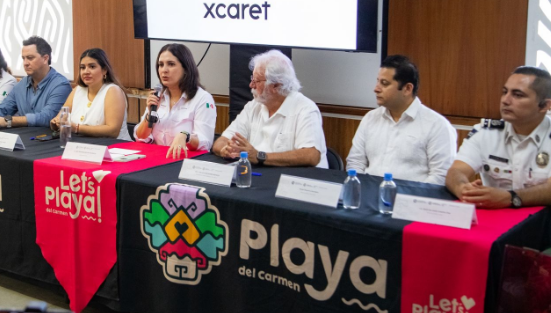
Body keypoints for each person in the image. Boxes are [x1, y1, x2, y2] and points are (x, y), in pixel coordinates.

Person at [446, 66, 551, 208]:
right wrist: (463, 189)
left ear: (544, 105)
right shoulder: (485, 132)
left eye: (518, 95)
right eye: (504, 92)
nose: (505, 100)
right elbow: (456, 171)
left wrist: (511, 198)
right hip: (496, 218)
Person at [346, 55, 456, 184]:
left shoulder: (437, 125)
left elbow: (441, 176)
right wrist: (361, 189)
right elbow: (355, 162)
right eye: (378, 81)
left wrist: (409, 196)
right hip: (368, 192)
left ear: (407, 89)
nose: (376, 89)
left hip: (413, 195)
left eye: (384, 83)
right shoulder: (370, 118)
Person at [212, 49, 327, 168]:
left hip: (296, 177)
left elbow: (311, 155)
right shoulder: (253, 106)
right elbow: (221, 141)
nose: (251, 85)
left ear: (276, 85)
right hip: (260, 174)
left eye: (256, 81)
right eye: (252, 79)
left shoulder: (305, 109)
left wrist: (259, 156)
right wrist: (225, 149)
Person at [133, 43, 216, 158]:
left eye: (171, 64)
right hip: (157, 159)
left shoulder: (202, 98)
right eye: (160, 65)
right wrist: (150, 115)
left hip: (185, 161)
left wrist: (185, 136)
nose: (164, 70)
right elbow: (140, 138)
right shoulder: (158, 96)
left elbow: (206, 142)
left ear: (186, 68)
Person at [0, 36, 71, 129]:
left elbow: (47, 117)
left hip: (49, 140)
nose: (25, 63)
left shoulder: (61, 85)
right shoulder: (21, 84)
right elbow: (3, 108)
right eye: (23, 58)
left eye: (30, 58)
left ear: (45, 59)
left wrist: (8, 121)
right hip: (25, 138)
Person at [49, 48, 130, 139]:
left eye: (92, 67)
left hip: (114, 146)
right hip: (82, 144)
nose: (86, 72)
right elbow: (61, 118)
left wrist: (77, 128)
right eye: (82, 67)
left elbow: (113, 131)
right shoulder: (77, 90)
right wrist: (56, 123)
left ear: (104, 70)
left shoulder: (113, 91)